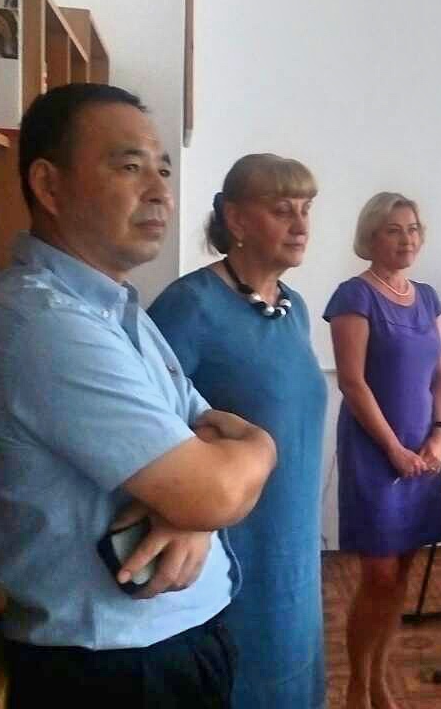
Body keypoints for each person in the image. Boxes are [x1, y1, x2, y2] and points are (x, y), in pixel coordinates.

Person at [0, 83, 277, 708]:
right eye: (130, 167)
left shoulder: (113, 308)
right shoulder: (45, 325)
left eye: (163, 169)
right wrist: (249, 457)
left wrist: (196, 499)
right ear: (49, 186)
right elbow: (212, 486)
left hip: (163, 649)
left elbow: (204, 435)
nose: (160, 191)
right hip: (115, 671)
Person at [148, 154, 328, 707]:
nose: (300, 224)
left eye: (306, 209)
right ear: (236, 218)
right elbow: (152, 428)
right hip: (231, 550)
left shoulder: (293, 309)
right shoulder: (189, 307)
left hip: (294, 546)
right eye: (282, 210)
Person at [324, 192, 441, 709]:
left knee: (401, 573)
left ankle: (379, 678)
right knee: (377, 573)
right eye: (394, 229)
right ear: (371, 236)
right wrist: (395, 450)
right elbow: (352, 383)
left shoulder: (428, 297)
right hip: (375, 452)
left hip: (424, 452)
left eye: (413, 228)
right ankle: (357, 683)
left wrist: (439, 433)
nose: (407, 239)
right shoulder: (354, 296)